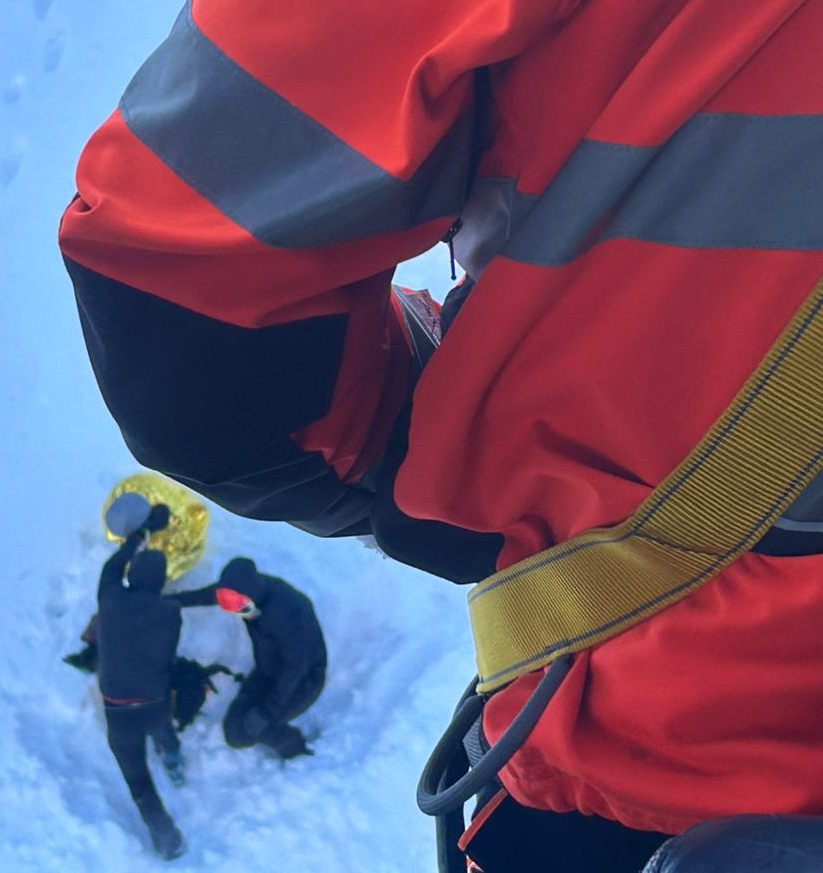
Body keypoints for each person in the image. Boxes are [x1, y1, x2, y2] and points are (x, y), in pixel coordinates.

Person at [59, 1, 823, 870]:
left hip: (644, 769)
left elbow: (181, 289)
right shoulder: (198, 606)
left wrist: (446, 458)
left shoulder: (145, 602)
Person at [95, 502, 186, 861]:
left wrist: (138, 535)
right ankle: (174, 760)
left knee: (139, 785)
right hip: (154, 705)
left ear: (131, 576)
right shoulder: (170, 614)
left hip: (118, 715)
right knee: (163, 725)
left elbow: (113, 566)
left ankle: (169, 841)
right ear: (162, 584)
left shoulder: (110, 595)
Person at [172, 558, 325, 760]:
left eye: (241, 608)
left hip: (303, 680)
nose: (238, 612)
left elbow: (296, 667)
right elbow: (209, 595)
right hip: (267, 672)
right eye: (231, 607)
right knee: (234, 731)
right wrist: (169, 601)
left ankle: (294, 747)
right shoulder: (243, 592)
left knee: (251, 729)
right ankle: (266, 722)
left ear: (252, 597)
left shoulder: (288, 613)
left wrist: (267, 711)